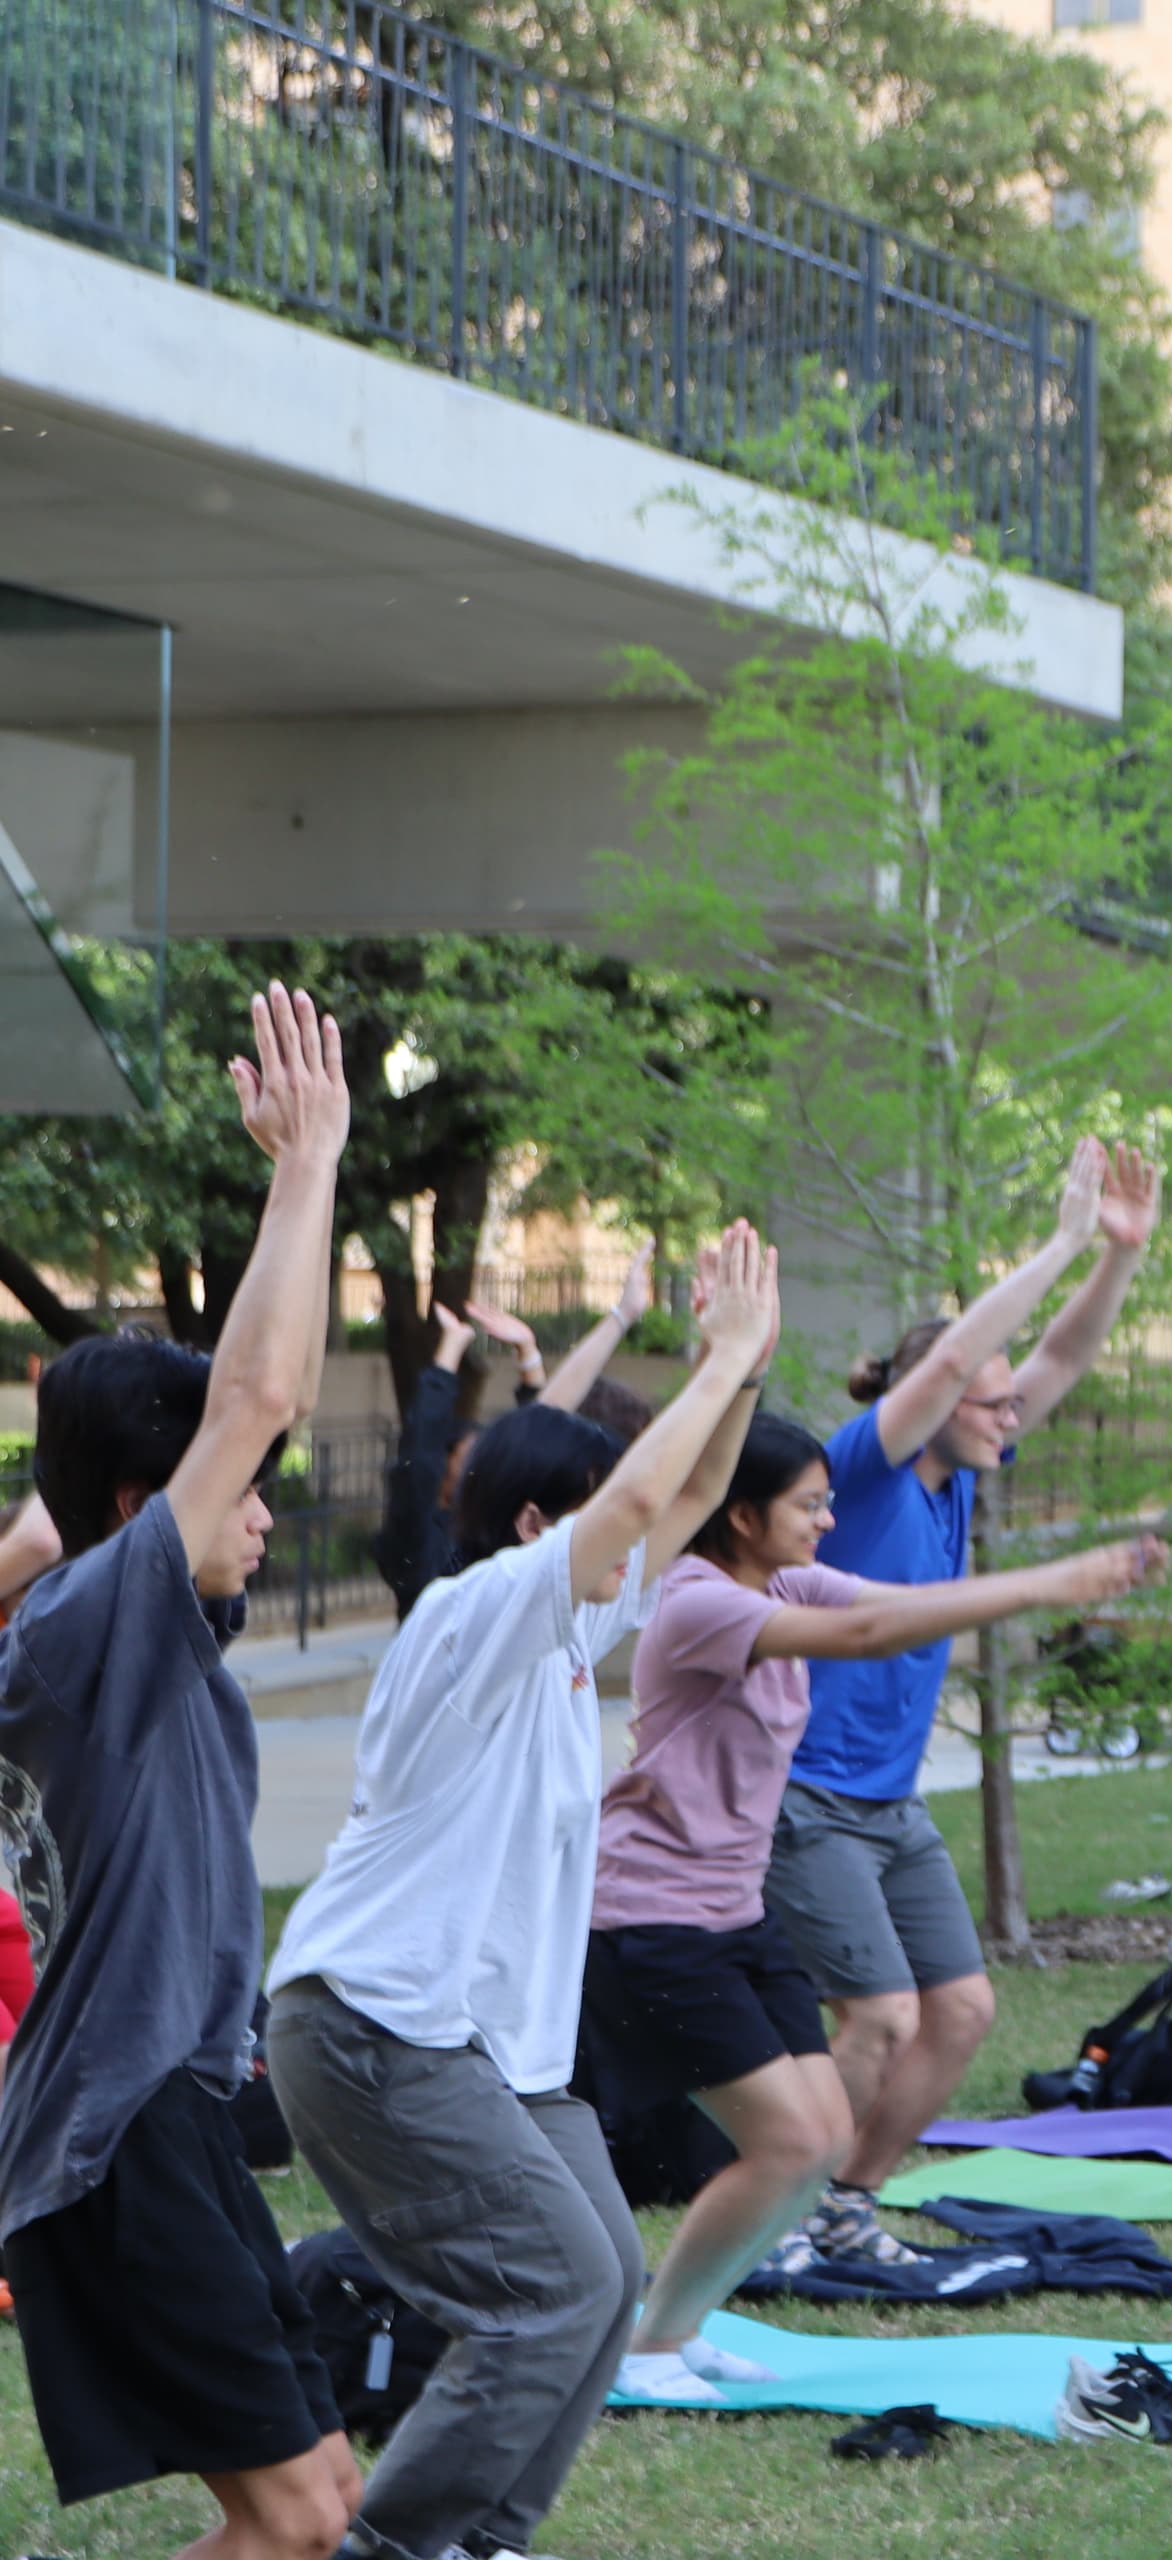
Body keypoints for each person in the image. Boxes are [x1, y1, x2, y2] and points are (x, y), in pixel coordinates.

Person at [260, 1223, 774, 2560]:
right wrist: (709, 1364)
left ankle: (482, 2539)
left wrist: (747, 1361)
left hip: (488, 2053)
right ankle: (397, 2547)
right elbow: (633, 1509)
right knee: (544, 2297)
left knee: (600, 2293)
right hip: (378, 2026)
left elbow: (683, 1497)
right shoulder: (478, 1609)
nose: (644, 1542)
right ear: (541, 1523)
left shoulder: (566, 1633)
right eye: (604, 1513)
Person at [0, 987, 363, 2560]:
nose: (270, 1514)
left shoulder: (85, 1610)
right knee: (289, 2521)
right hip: (117, 2136)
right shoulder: (93, 1620)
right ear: (154, 1503)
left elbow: (70, 1505)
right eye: (246, 1493)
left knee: (319, 2507)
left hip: (169, 2118)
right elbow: (261, 1395)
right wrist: (307, 1166)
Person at [593, 1412, 1161, 2399]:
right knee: (786, 2143)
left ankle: (673, 2331)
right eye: (808, 1504)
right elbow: (862, 1633)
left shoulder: (781, 1580)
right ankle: (645, 2347)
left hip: (731, 1912)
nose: (828, 1519)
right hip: (652, 1918)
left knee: (817, 2146)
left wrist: (1040, 1584)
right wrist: (1053, 1583)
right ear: (739, 1515)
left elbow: (903, 1605)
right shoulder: (694, 1602)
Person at [776, 1134, 1159, 2265]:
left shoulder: (957, 1474)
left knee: (962, 2012)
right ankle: (782, 2211)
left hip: (889, 1806)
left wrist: (1114, 1260)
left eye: (1007, 1401)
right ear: (927, 1395)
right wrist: (1057, 1238)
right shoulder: (868, 1463)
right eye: (987, 1397)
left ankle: (846, 2200)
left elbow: (1058, 1359)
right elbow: (955, 1370)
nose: (1007, 1410)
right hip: (809, 1797)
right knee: (881, 2015)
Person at [376, 1257, 655, 1617]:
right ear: (444, 1467)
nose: (486, 1455)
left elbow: (539, 1436)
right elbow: (420, 1455)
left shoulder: (506, 1546)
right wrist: (450, 1351)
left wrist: (529, 1357)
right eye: (470, 1450)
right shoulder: (429, 1554)